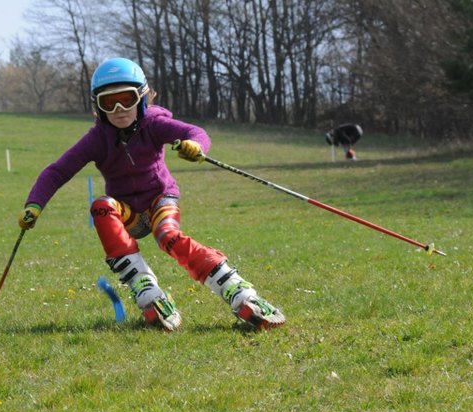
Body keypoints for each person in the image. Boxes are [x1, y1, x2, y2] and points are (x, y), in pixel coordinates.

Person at [18, 58, 285, 331]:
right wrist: (34, 204)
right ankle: (144, 286)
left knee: (168, 236)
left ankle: (236, 289)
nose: (120, 110)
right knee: (101, 206)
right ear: (98, 106)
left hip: (160, 200)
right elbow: (56, 172)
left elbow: (196, 132)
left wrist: (195, 145)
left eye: (127, 99)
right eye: (110, 103)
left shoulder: (154, 124)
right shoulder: (97, 139)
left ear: (143, 98)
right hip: (128, 213)